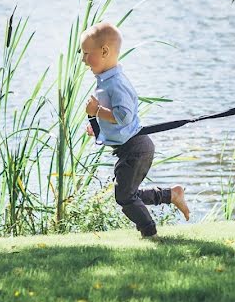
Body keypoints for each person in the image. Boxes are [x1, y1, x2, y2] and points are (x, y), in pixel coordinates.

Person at [81, 22, 190, 237]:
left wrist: (97, 111)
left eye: (86, 54)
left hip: (136, 148)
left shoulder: (116, 83)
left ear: (104, 52)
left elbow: (124, 116)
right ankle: (171, 195)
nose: (83, 59)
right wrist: (98, 126)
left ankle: (149, 232)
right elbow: (117, 120)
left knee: (125, 196)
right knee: (127, 194)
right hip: (130, 147)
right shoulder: (107, 81)